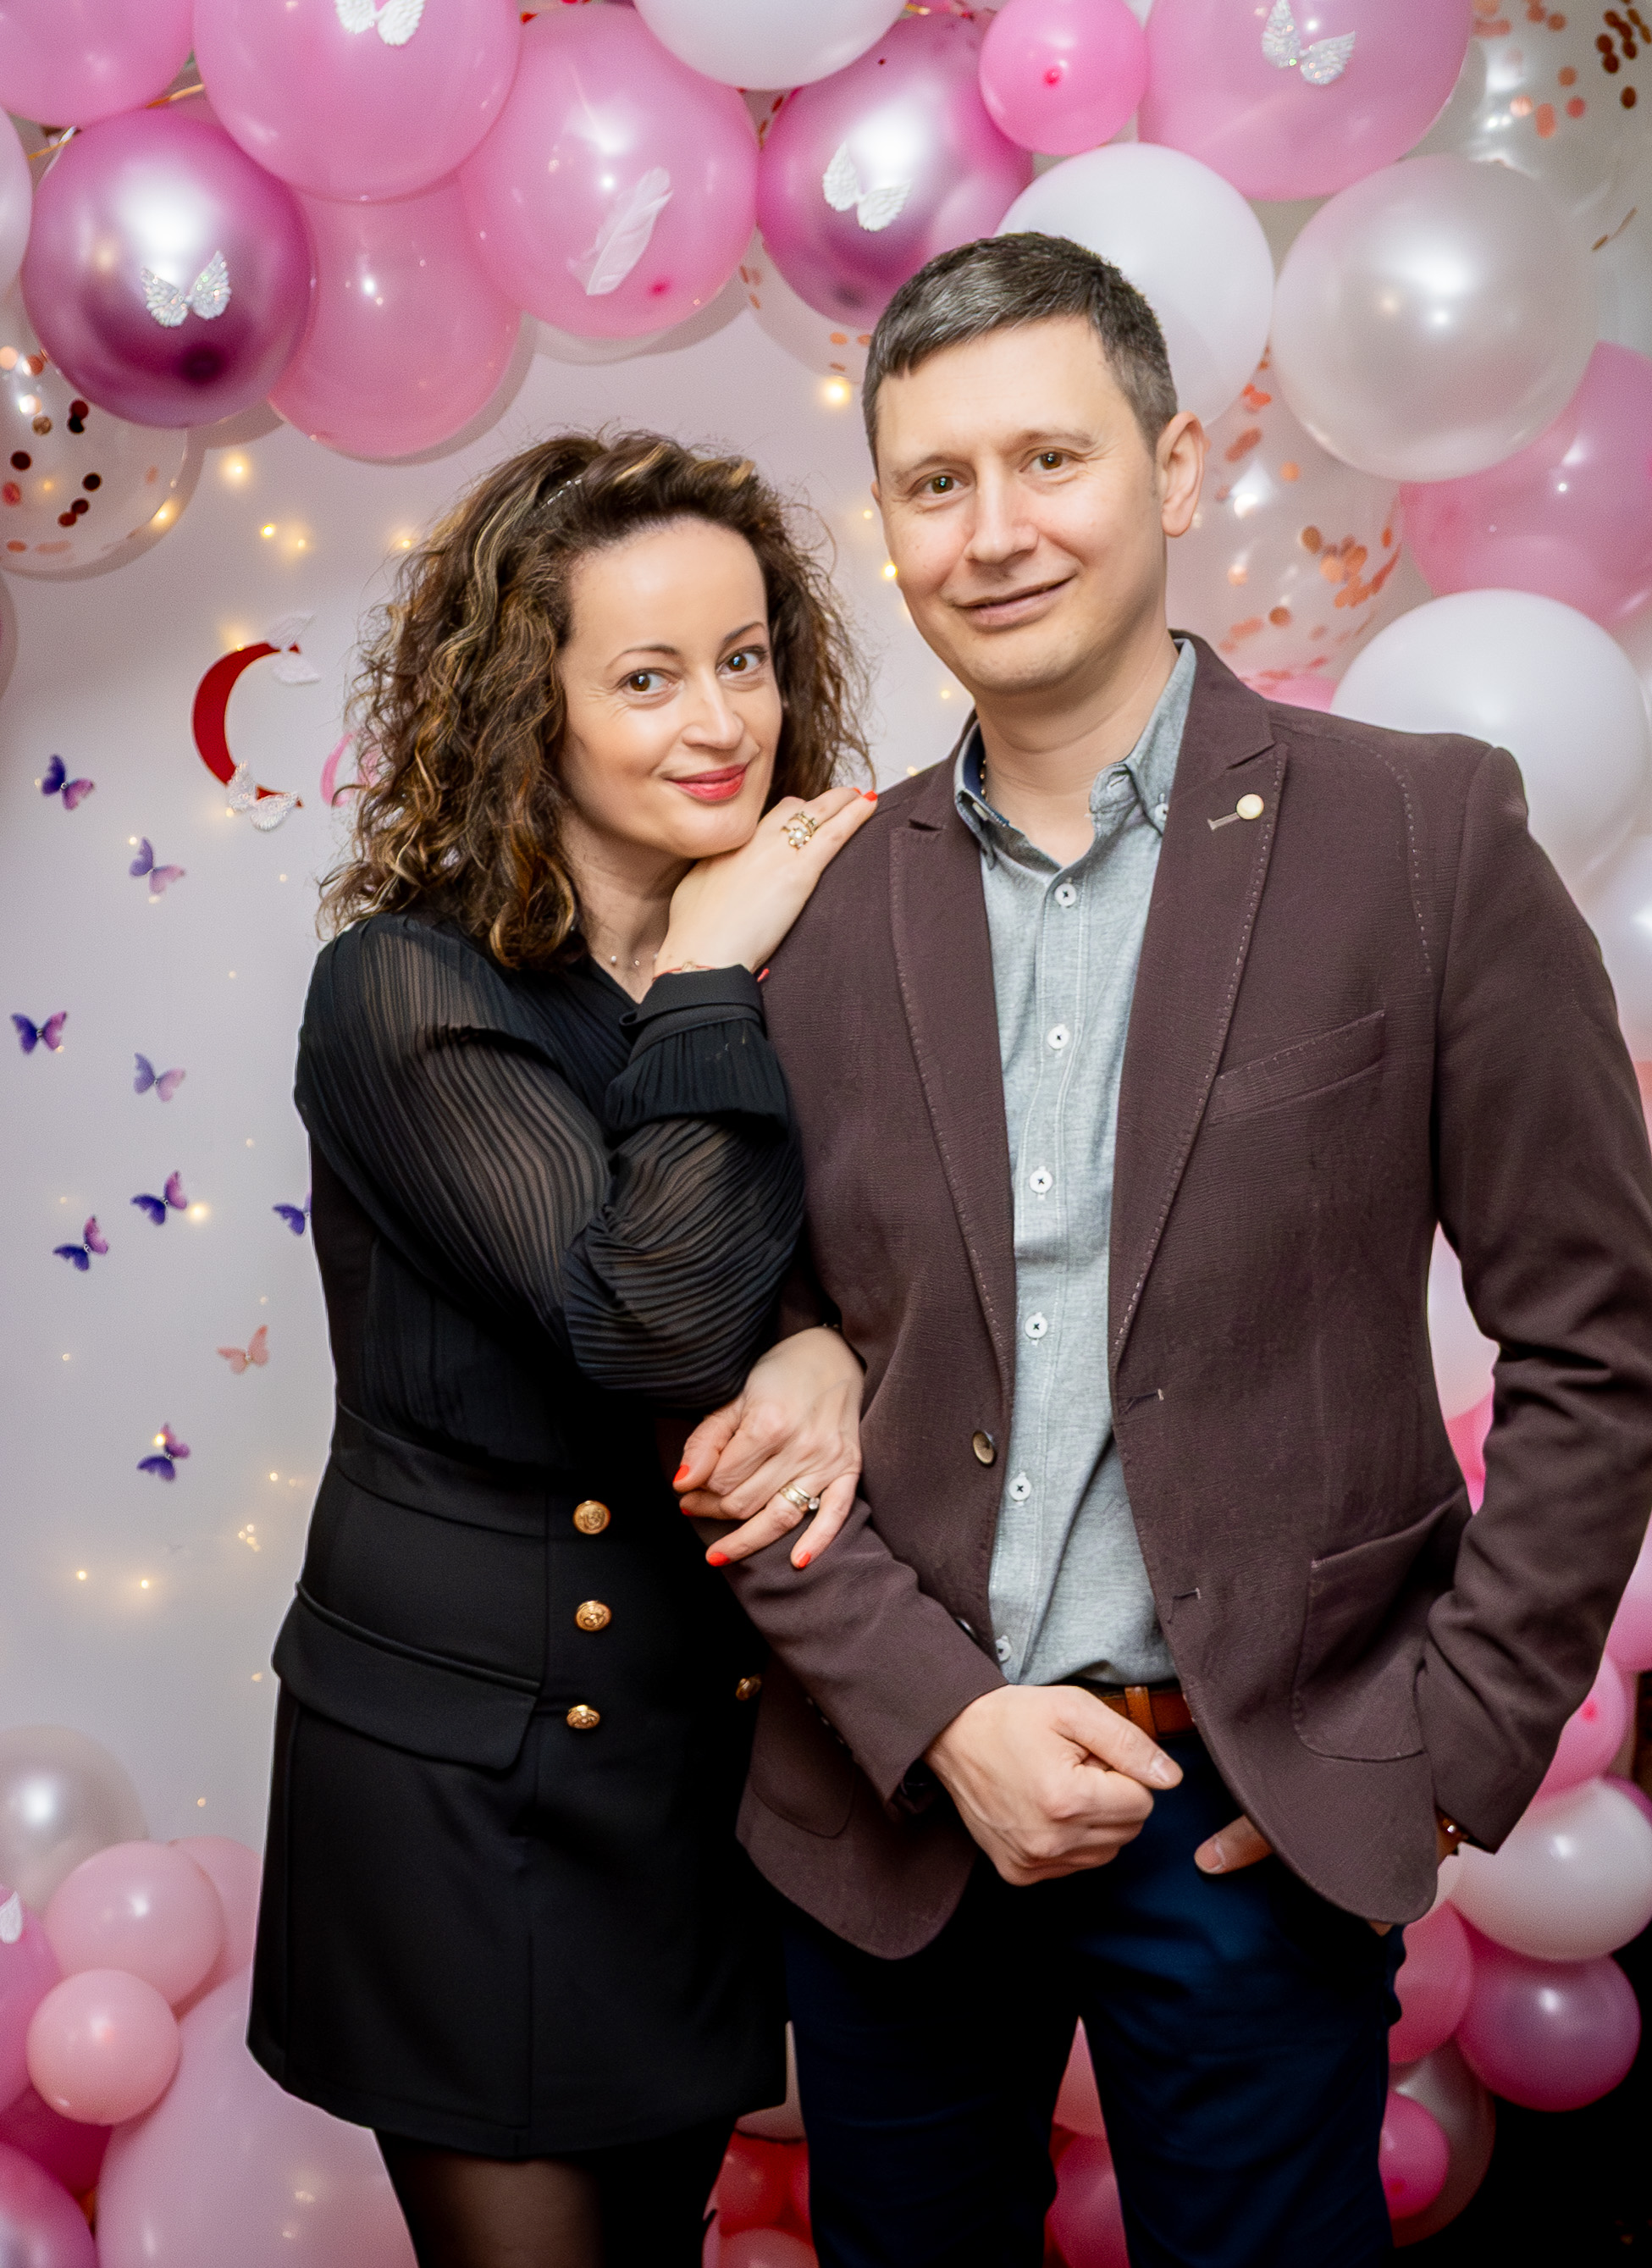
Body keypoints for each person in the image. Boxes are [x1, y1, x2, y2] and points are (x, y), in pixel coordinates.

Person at [689, 235, 1652, 2265]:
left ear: (1172, 464)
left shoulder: (1418, 835)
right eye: (935, 482)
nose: (992, 531)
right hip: (896, 1804)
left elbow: (1598, 1339)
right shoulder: (808, 903)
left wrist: (1436, 1751)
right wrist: (934, 1713)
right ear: (886, 522)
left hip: (1260, 1815)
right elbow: (717, 1367)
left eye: (1048, 459)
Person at [249, 431, 876, 2268]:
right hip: (461, 1777)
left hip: (694, 1756)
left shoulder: (818, 950)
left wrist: (830, 1348)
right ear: (534, 707)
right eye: (647, 677)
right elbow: (643, 1316)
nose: (721, 722)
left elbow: (911, 1260)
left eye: (745, 658)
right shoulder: (404, 985)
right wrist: (710, 973)